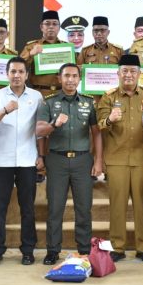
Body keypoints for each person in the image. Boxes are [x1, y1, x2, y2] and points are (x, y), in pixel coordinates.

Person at [36, 63, 103, 264]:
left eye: (74, 76)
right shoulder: (48, 103)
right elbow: (39, 131)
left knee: (84, 208)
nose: (70, 80)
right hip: (57, 160)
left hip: (83, 160)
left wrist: (98, 160)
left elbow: (96, 133)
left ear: (79, 79)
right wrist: (54, 125)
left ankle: (84, 249)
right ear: (59, 78)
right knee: (55, 208)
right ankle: (52, 250)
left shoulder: (89, 103)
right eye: (66, 76)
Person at [96, 55, 143, 262]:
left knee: (142, 204)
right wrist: (109, 119)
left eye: (133, 71)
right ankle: (118, 246)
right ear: (118, 73)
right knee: (117, 204)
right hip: (116, 159)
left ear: (140, 74)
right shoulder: (107, 97)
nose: (129, 75)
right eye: (125, 71)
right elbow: (99, 125)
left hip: (142, 159)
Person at [0, 57, 45, 266]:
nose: (17, 75)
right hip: (2, 161)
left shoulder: (36, 97)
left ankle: (28, 250)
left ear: (27, 75)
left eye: (21, 72)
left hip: (28, 160)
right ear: (7, 74)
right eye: (13, 72)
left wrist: (41, 156)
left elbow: (40, 130)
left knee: (27, 208)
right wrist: (5, 110)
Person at [20, 10, 67, 95]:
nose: (51, 27)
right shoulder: (31, 46)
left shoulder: (66, 48)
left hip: (62, 93)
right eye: (47, 24)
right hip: (39, 93)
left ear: (59, 27)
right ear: (41, 27)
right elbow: (19, 66)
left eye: (54, 24)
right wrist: (31, 54)